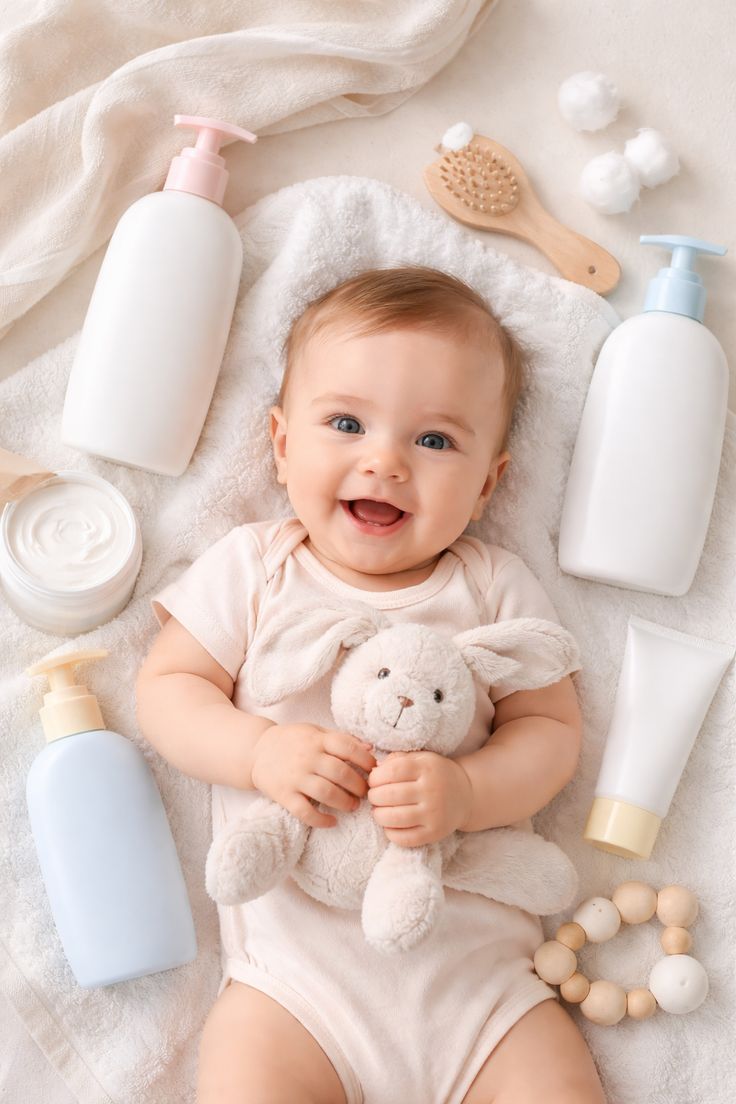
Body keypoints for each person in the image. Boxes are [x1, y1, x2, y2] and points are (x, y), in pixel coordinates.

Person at [136, 266, 607, 1104]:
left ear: (488, 483)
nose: (384, 461)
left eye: (435, 441)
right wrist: (259, 752)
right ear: (282, 444)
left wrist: (470, 790)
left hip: (483, 993)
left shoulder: (492, 585)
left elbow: (551, 731)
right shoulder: (257, 567)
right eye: (347, 424)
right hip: (296, 994)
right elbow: (168, 688)